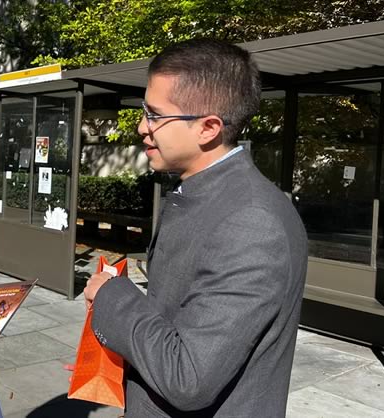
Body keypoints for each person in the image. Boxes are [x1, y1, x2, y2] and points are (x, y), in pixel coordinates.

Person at [82, 39, 308, 417]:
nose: (142, 127)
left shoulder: (252, 223)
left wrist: (111, 297)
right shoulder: (205, 194)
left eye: (154, 115)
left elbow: (188, 377)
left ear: (208, 128)